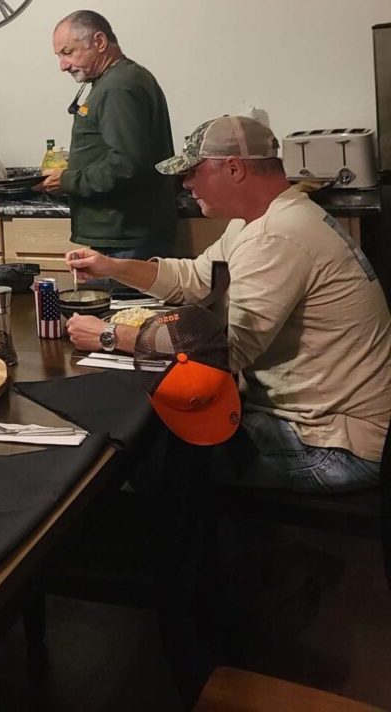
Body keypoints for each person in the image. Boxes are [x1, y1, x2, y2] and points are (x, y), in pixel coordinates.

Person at [65, 116, 391, 493]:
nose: (185, 184)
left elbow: (221, 353)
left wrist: (109, 335)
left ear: (234, 167)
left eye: (193, 172)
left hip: (334, 442)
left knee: (151, 456)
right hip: (328, 423)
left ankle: (184, 547)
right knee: (161, 436)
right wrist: (113, 266)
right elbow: (194, 279)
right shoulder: (266, 218)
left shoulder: (275, 236)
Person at [44, 10, 178, 259]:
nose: (63, 65)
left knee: (120, 300)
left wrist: (68, 181)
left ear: (100, 42)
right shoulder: (117, 79)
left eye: (68, 52)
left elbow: (126, 163)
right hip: (122, 234)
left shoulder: (119, 86)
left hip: (127, 239)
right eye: (59, 56)